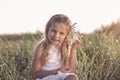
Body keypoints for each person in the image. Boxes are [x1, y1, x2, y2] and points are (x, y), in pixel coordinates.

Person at [31, 14, 82, 80]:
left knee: (73, 77)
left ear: (66, 35)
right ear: (47, 30)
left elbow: (71, 70)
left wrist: (73, 48)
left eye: (61, 33)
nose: (56, 35)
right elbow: (36, 74)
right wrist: (57, 71)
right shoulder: (41, 47)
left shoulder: (65, 48)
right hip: (46, 77)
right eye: (53, 31)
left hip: (61, 76)